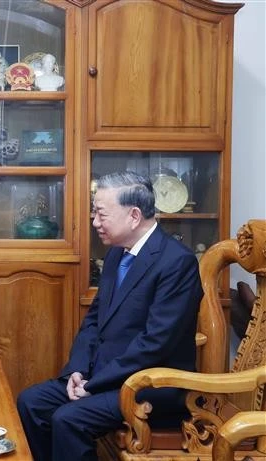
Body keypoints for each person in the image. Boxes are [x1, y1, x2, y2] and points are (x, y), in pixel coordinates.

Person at [17, 172, 202, 461]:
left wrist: (94, 385)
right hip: (102, 376)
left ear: (134, 215)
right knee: (31, 402)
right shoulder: (117, 254)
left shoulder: (177, 262)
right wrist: (77, 371)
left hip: (151, 385)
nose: (94, 223)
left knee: (68, 419)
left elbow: (155, 344)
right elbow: (94, 321)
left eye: (101, 214)